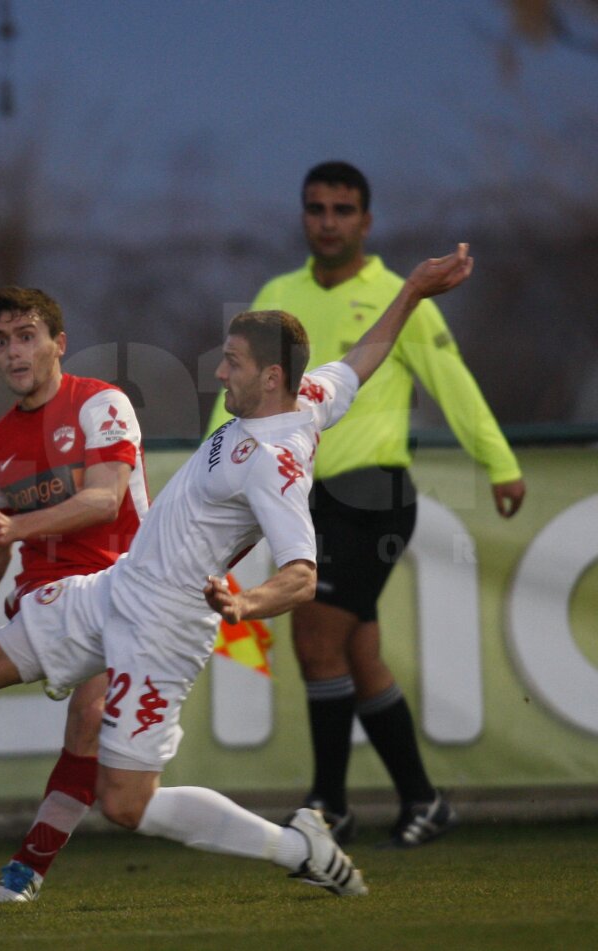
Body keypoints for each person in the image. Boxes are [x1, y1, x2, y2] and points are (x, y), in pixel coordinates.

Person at [0, 243, 475, 901]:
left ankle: (301, 850)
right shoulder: (307, 394)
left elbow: (300, 573)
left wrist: (247, 605)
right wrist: (411, 290)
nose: (219, 373)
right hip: (117, 588)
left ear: (268, 377)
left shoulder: (277, 461)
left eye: (231, 363)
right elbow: (363, 357)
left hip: (166, 627)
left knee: (126, 803)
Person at [204, 162, 525, 848]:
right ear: (303, 216)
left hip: (374, 494)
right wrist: (210, 475)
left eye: (343, 209)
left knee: (315, 634)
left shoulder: (396, 299)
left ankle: (330, 805)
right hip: (307, 498)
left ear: (365, 221)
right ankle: (423, 799)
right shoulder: (277, 296)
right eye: (317, 208)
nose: (329, 220)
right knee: (360, 654)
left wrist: (499, 463)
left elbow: (455, 384)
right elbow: (235, 392)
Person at [0, 286, 150, 903]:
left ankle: (25, 868)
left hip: (134, 590)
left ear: (58, 344)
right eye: (0, 341)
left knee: (94, 736)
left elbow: (106, 500)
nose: (14, 353)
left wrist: (14, 527)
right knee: (105, 767)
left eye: (27, 336)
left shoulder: (101, 403)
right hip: (56, 601)